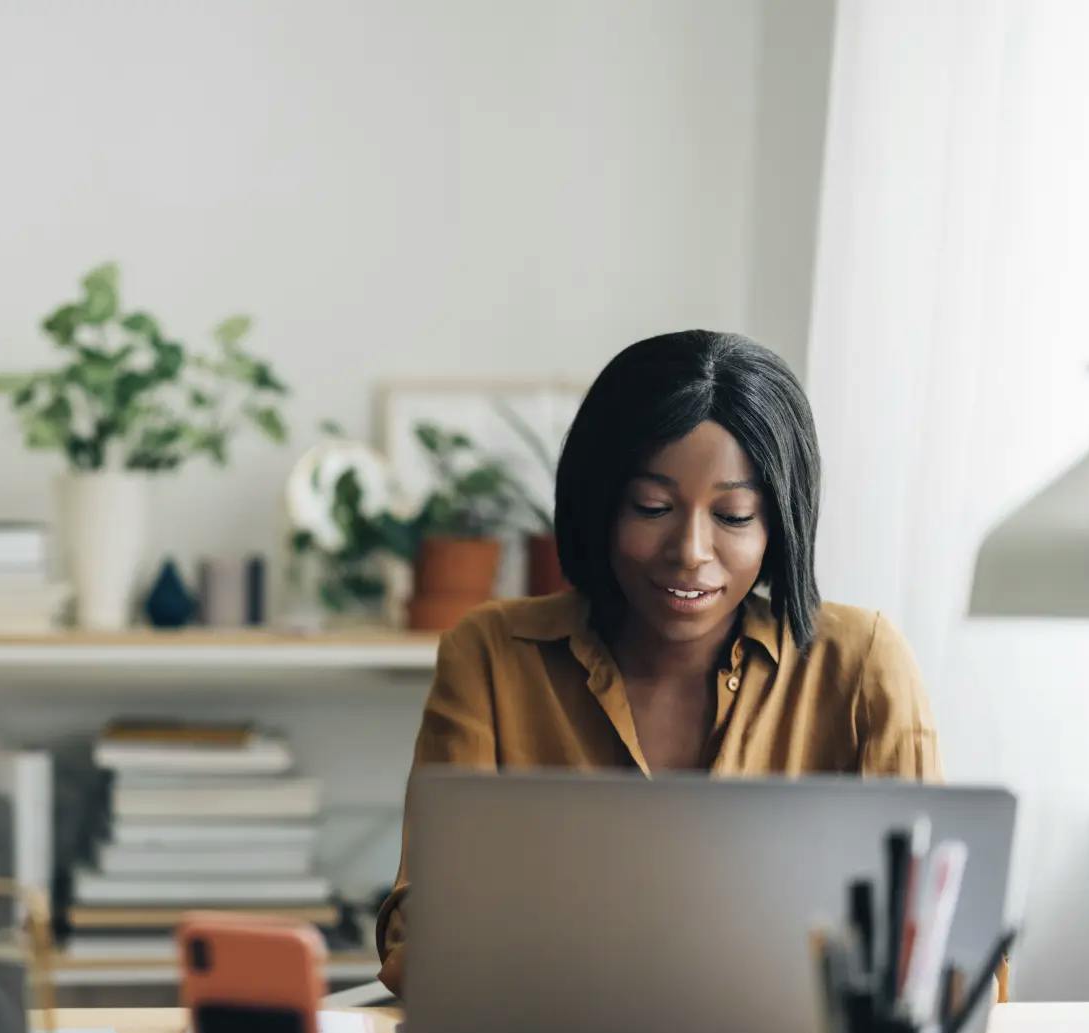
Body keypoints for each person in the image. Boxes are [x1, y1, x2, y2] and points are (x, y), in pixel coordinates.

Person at [376, 330, 939, 995]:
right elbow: (424, 932)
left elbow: (931, 942)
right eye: (653, 508)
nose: (690, 552)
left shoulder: (861, 664)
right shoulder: (495, 655)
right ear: (601, 503)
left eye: (733, 515)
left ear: (779, 523)